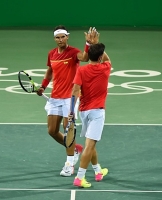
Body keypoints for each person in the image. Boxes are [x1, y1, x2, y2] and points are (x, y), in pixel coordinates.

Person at [37, 25, 99, 176]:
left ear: (67, 37)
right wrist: (43, 86)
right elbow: (50, 71)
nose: (60, 40)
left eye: (62, 37)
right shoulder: (51, 53)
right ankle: (75, 148)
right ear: (54, 39)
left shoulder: (73, 52)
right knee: (52, 131)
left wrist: (88, 44)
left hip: (70, 97)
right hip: (55, 96)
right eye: (57, 37)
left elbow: (84, 57)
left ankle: (69, 163)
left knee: (68, 129)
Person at [69, 42, 111, 187]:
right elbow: (107, 59)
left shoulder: (81, 70)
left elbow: (75, 91)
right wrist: (94, 42)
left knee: (90, 144)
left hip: (83, 111)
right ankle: (79, 178)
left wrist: (71, 111)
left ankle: (98, 171)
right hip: (97, 112)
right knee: (89, 146)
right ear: (99, 58)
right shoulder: (105, 68)